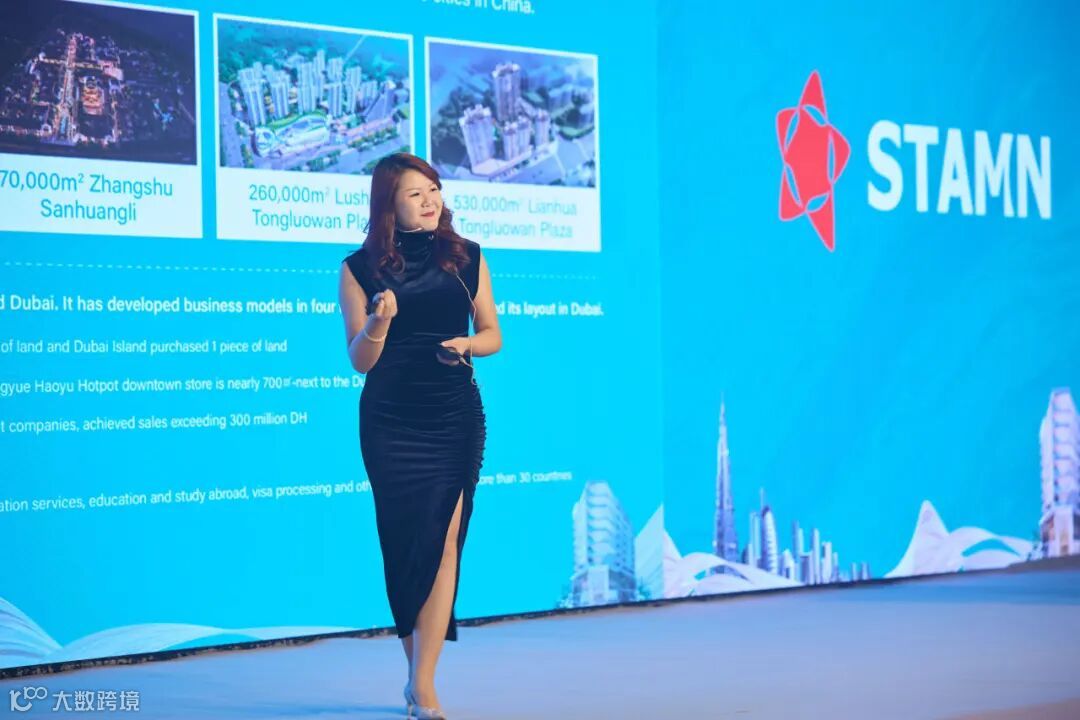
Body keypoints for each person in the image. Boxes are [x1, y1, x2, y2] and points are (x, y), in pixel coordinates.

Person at [338, 152, 502, 719]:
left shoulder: (466, 257)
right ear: (389, 204)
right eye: (416, 193)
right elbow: (360, 360)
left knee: (445, 541)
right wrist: (379, 321)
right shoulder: (359, 269)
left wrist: (467, 344)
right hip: (391, 421)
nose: (431, 200)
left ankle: (424, 682)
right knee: (406, 545)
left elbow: (492, 334)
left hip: (454, 414)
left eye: (434, 189)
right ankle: (414, 675)